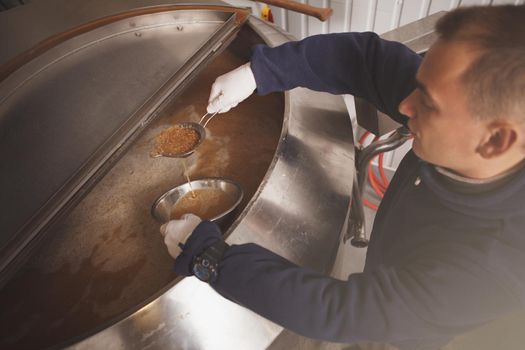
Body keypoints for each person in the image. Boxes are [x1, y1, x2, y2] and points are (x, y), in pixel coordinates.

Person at [159, 5, 525, 350]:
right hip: (396, 261)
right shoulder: (473, 127)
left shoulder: (497, 266)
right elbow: (364, 59)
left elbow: (341, 310)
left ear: (496, 140)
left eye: (427, 102)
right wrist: (261, 72)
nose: (404, 106)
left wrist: (211, 258)